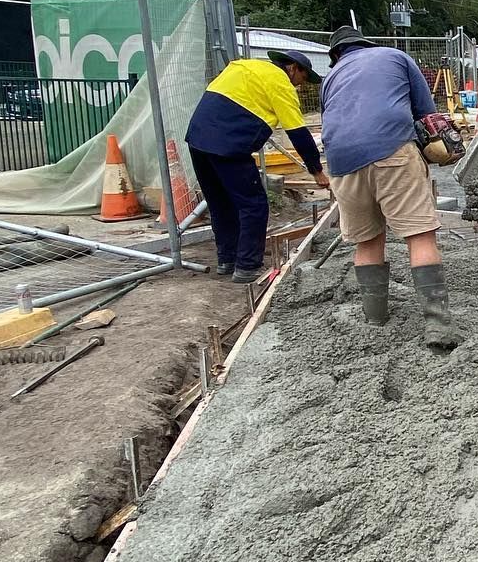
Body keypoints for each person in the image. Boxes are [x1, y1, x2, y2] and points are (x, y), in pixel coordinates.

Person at [319, 25, 453, 338]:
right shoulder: (394, 56)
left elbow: (336, 121)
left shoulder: (330, 77)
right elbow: (427, 116)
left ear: (336, 55)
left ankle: (375, 320)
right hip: (392, 148)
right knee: (419, 236)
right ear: (365, 44)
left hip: (341, 162)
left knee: (367, 242)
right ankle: (438, 327)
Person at [185, 49, 328, 282]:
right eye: (302, 78)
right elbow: (298, 133)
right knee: (254, 205)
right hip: (228, 145)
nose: (300, 86)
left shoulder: (244, 66)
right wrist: (317, 171)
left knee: (220, 202)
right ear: (292, 68)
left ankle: (227, 259)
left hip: (198, 139)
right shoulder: (280, 83)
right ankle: (248, 267)